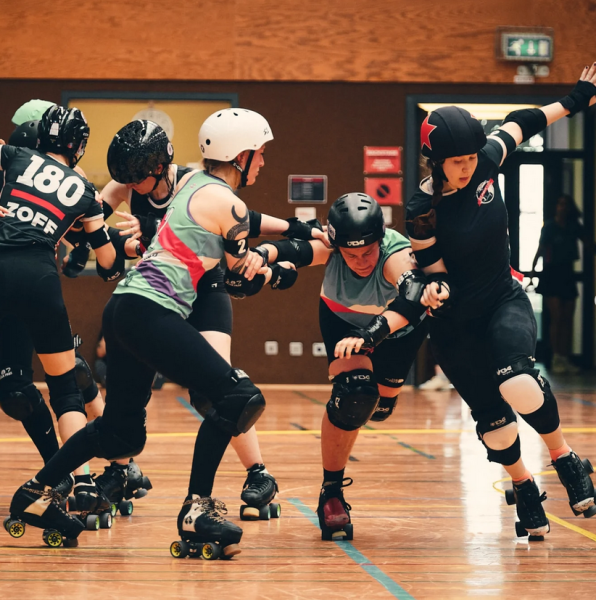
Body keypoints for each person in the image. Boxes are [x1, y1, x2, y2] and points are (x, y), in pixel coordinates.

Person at [8, 108, 297, 556]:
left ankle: (35, 492)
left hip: (123, 308)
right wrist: (284, 265)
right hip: (150, 312)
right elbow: (242, 272)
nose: (262, 161)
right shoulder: (218, 196)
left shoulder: (195, 186)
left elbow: (247, 228)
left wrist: (299, 235)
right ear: (241, 156)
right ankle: (197, 510)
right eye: (259, 154)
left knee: (122, 434)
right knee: (238, 398)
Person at [405, 62, 596, 540]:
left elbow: (522, 121)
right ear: (435, 161)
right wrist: (435, 288)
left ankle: (565, 458)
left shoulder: (488, 160)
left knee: (519, 382)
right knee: (494, 423)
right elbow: (434, 270)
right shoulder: (423, 209)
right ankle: (525, 486)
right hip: (455, 326)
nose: (467, 167)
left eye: (471, 158)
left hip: (502, 301)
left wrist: (576, 99)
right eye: (457, 162)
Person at [100, 119, 325, 519]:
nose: (132, 186)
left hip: (205, 287)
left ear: (157, 167)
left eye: (138, 179)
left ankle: (257, 472)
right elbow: (89, 221)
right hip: (160, 290)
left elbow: (240, 218)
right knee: (130, 382)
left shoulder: (191, 181)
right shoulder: (126, 183)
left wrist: (298, 229)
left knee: (216, 388)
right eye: (127, 180)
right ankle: (121, 469)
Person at [252, 192, 441, 540]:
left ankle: (382, 399)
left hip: (397, 331)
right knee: (355, 396)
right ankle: (332, 492)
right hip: (344, 323)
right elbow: (293, 250)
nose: (361, 261)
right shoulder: (334, 247)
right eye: (351, 254)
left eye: (368, 252)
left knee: (380, 409)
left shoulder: (395, 253)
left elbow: (414, 294)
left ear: (381, 239)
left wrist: (372, 334)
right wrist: (261, 254)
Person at [0, 102, 151, 526]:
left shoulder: (16, 156)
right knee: (65, 389)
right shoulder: (85, 191)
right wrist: (125, 245)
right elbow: (108, 263)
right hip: (39, 278)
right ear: (78, 146)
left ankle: (105, 473)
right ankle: (82, 486)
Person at [532, 194, 583, 374]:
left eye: (566, 204)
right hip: (552, 273)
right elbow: (541, 248)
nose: (563, 207)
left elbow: (587, 241)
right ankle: (556, 357)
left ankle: (564, 356)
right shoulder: (550, 226)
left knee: (567, 317)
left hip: (567, 272)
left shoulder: (573, 226)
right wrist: (533, 270)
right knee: (557, 317)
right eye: (560, 204)